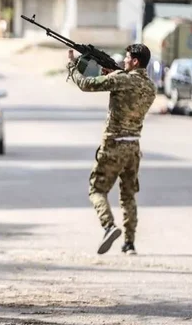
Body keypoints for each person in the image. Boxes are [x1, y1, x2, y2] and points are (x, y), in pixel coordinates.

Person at [66, 44, 156, 255]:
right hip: (133, 145)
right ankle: (129, 243)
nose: (124, 61)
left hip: (114, 144)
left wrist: (72, 66)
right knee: (128, 195)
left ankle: (108, 226)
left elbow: (86, 84)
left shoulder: (122, 80)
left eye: (127, 58)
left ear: (135, 61)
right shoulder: (151, 87)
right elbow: (129, 89)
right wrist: (113, 73)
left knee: (97, 189)